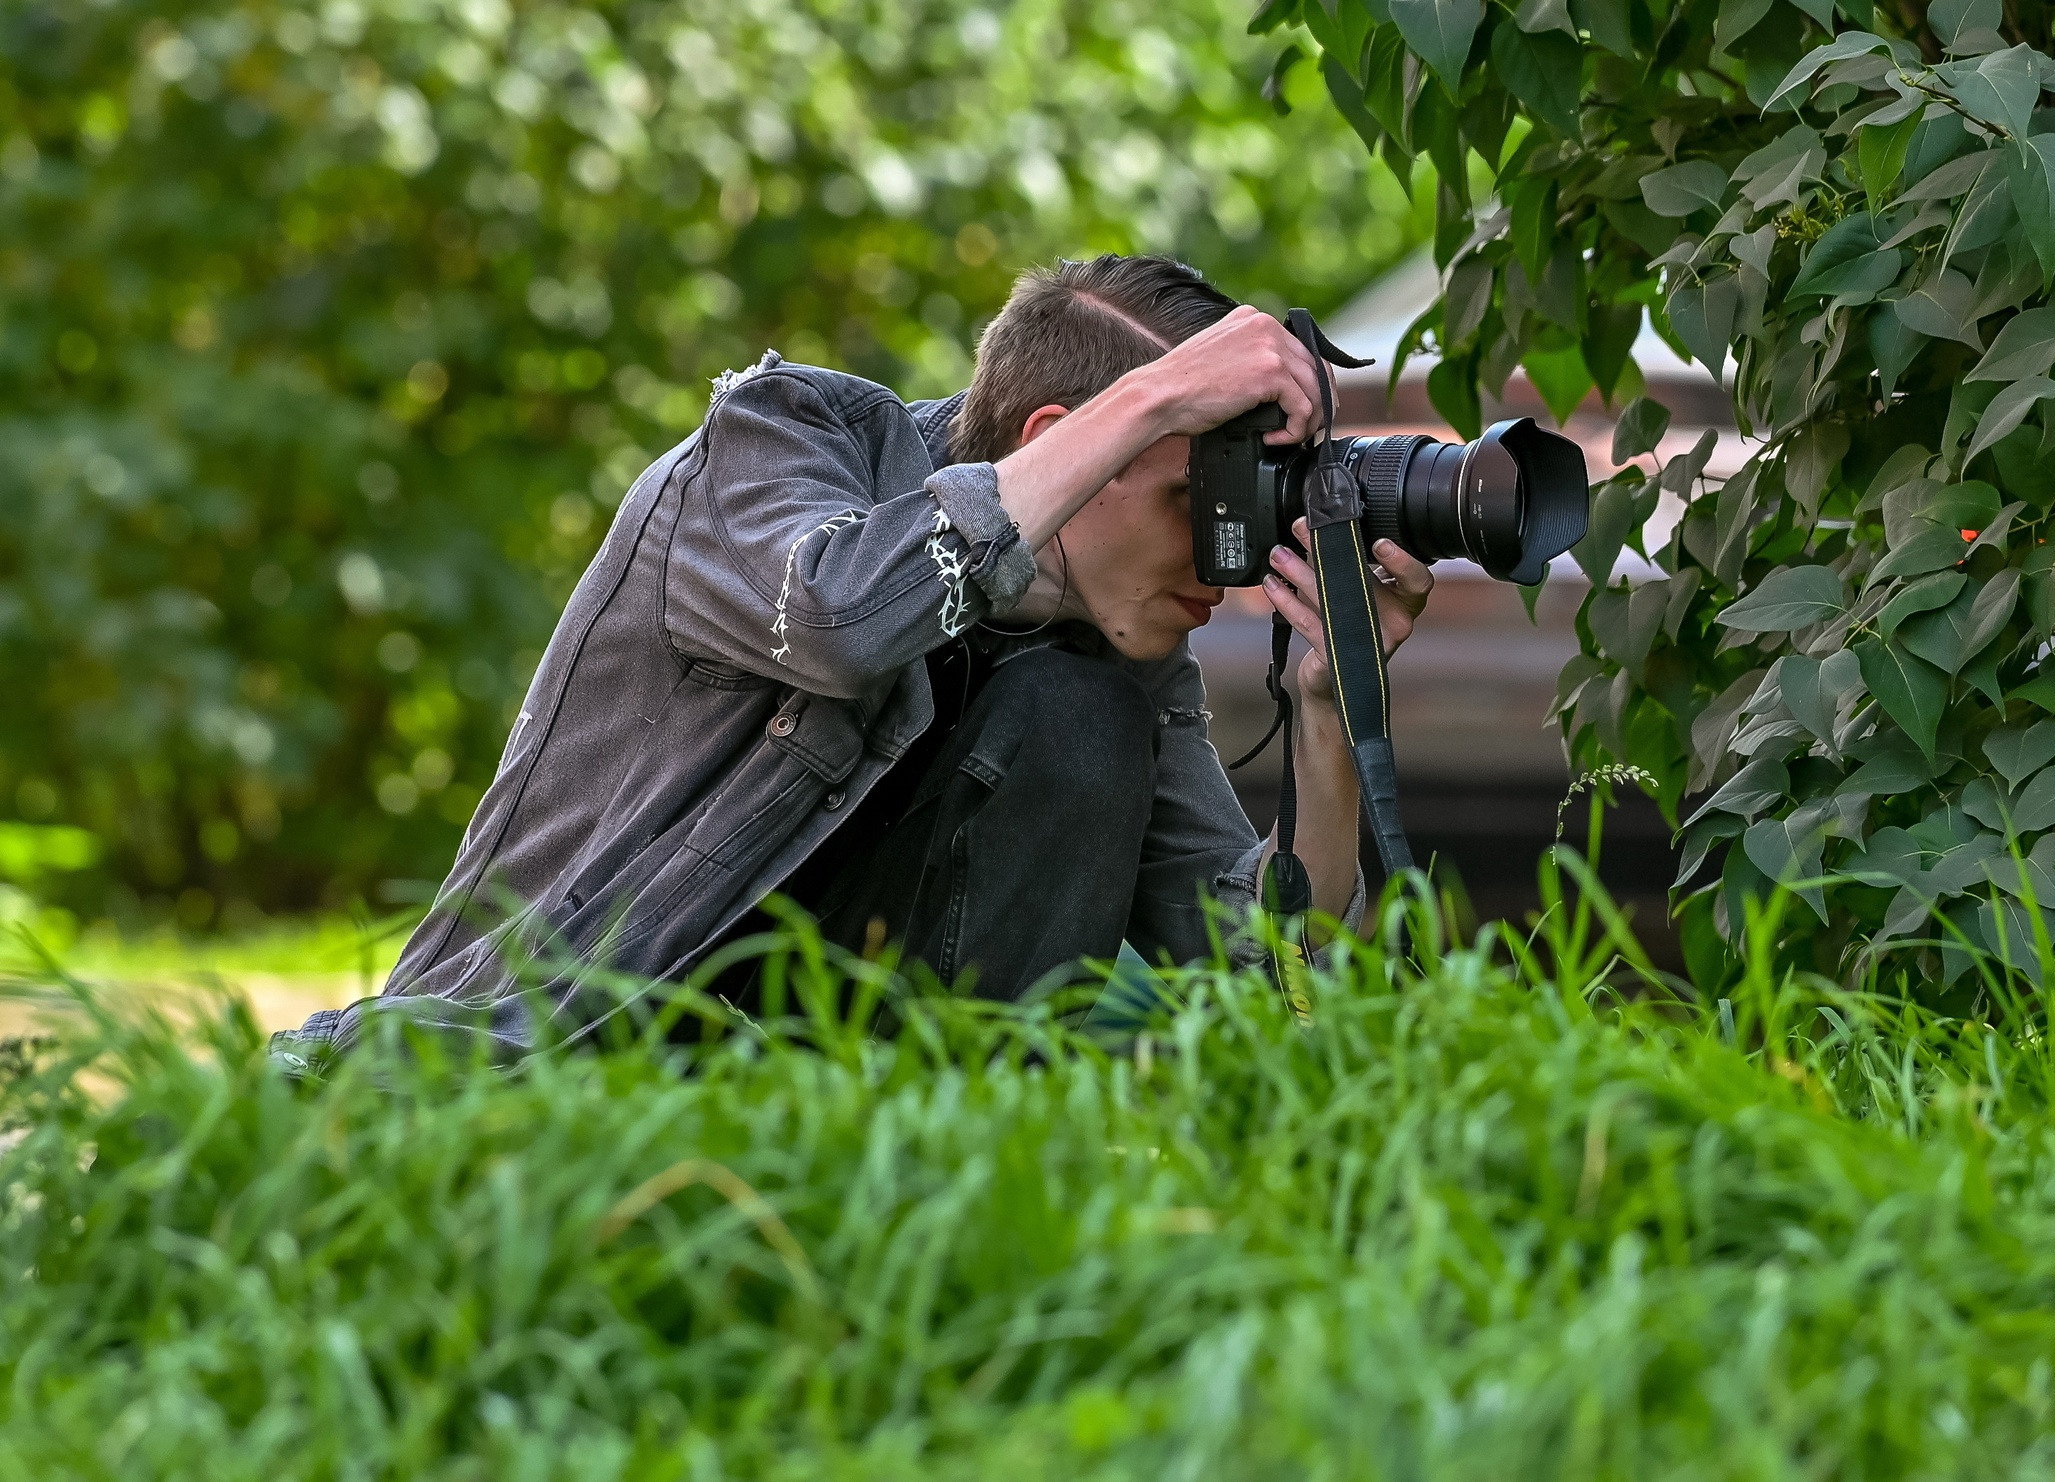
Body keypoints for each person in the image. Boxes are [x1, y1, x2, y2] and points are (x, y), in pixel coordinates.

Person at [269, 255, 1432, 1069]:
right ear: (1067, 441)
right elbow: (838, 619)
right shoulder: (779, 443)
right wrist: (1156, 395)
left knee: (1082, 714)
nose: (1220, 568)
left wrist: (1327, 715)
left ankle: (947, 1205)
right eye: (1192, 498)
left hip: (807, 1130)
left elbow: (1266, 979)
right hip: (539, 1056)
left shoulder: (1110, 636)